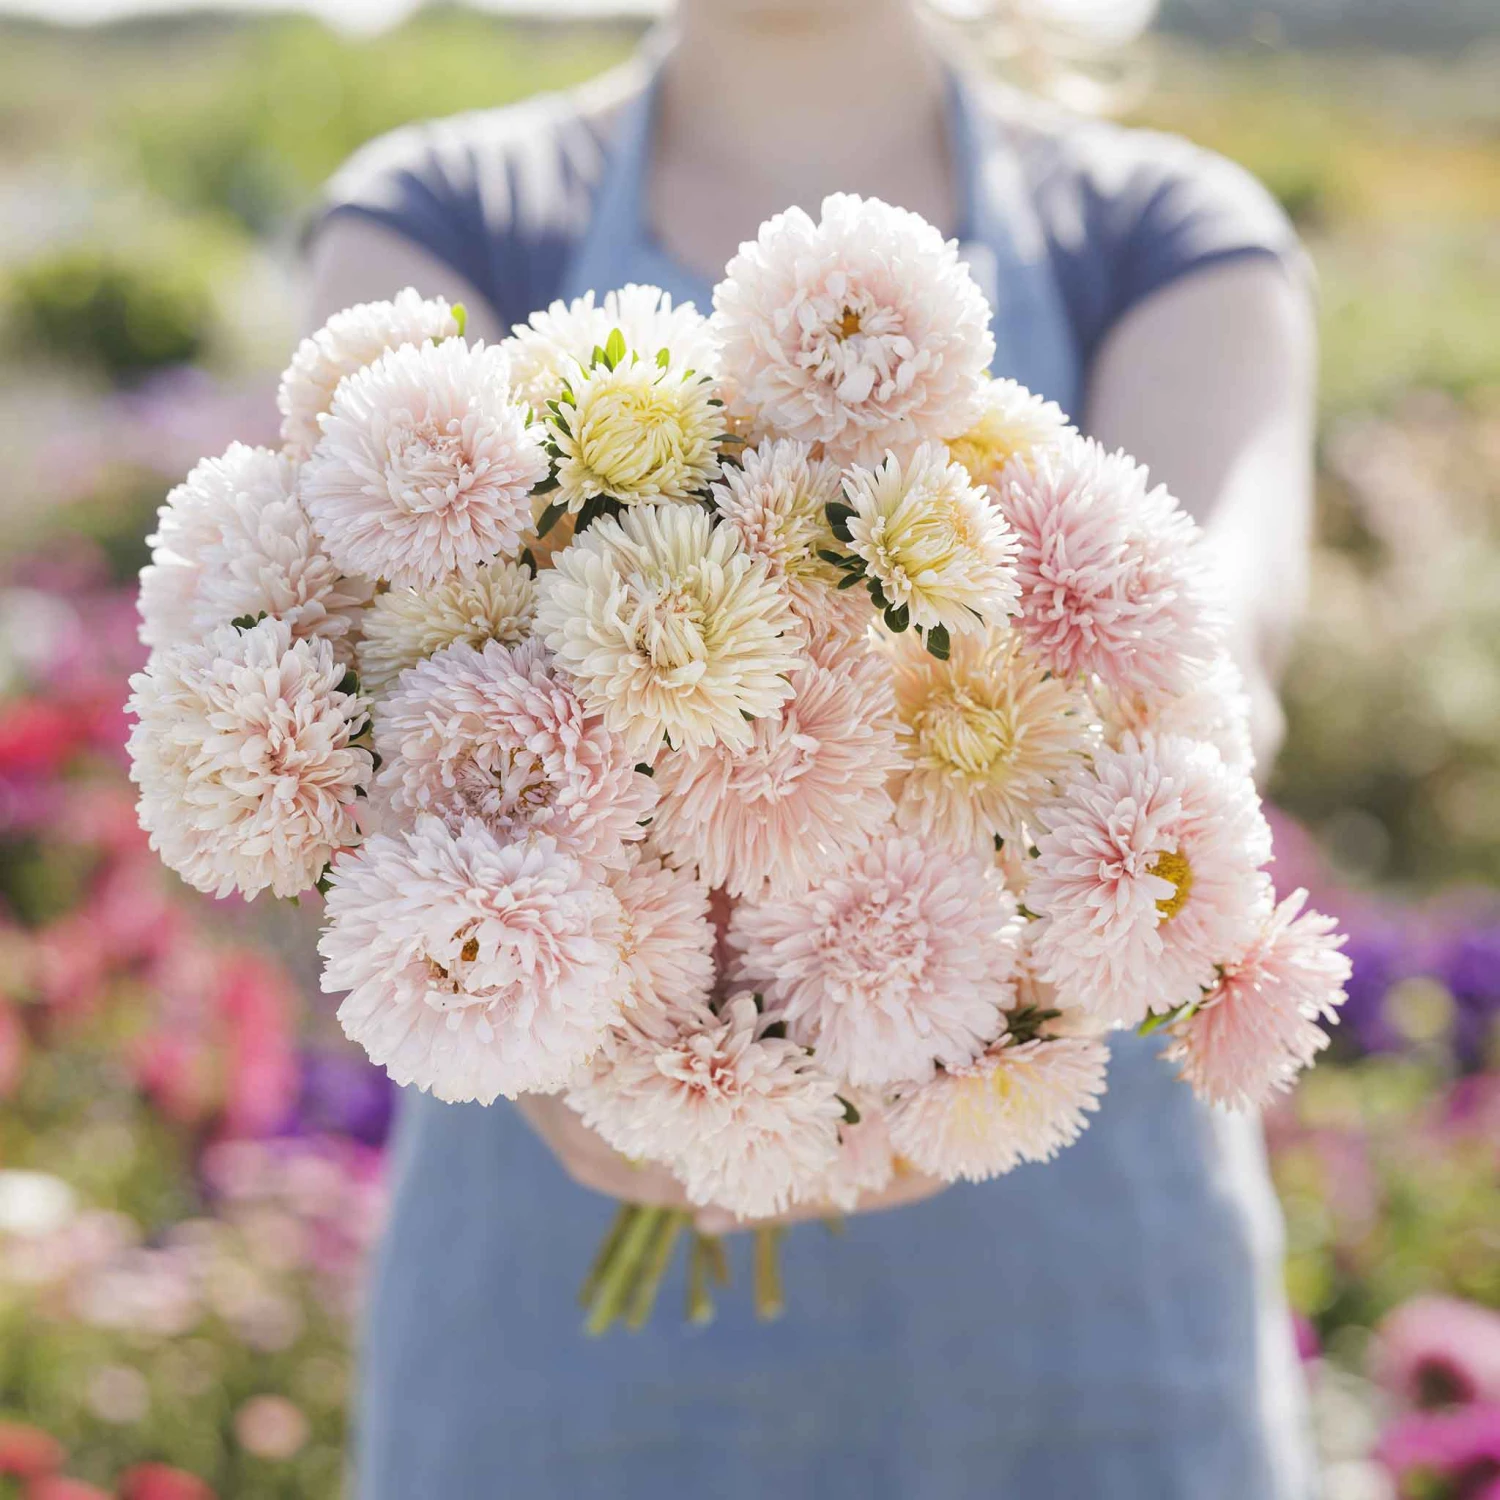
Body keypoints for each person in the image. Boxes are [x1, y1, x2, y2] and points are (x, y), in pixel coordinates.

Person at [306, 2, 1318, 1494]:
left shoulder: (1162, 229)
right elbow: (362, 677)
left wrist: (987, 943)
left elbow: (1209, 657)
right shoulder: (450, 213)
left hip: (1077, 1332)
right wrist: (549, 1025)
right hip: (552, 1351)